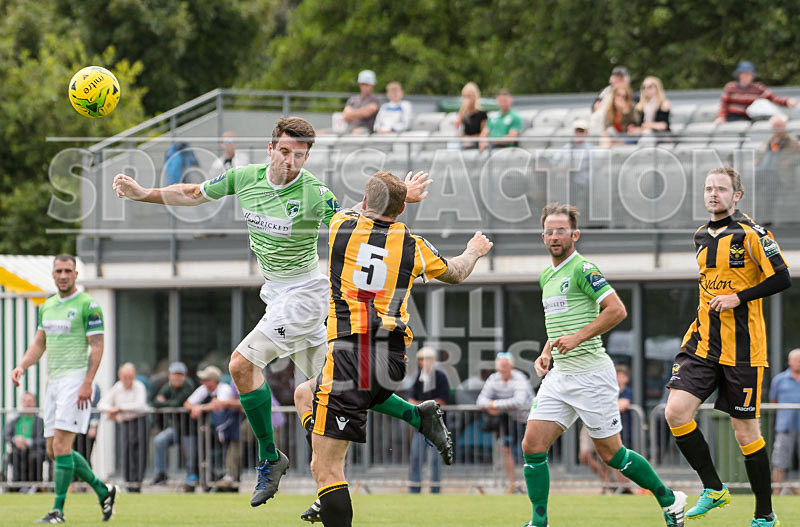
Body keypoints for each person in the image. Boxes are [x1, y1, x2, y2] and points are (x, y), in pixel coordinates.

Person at [114, 117, 449, 510]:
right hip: (276, 295)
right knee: (335, 388)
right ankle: (417, 416)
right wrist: (142, 193)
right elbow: (192, 193)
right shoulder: (245, 178)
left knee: (240, 365)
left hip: (307, 294)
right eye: (286, 152)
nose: (291, 162)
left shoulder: (313, 193)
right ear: (271, 148)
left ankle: (270, 457)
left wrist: (396, 198)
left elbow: (355, 223)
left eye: (300, 155)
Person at [308, 170, 493, 527]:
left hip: (350, 355)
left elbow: (358, 209)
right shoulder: (413, 244)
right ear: (402, 211)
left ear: (365, 203)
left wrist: (401, 194)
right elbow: (456, 272)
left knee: (326, 467)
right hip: (392, 359)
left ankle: (329, 501)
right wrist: (474, 250)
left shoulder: (340, 227)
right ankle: (417, 415)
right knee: (305, 394)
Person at [522, 203, 686, 527]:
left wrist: (579, 338)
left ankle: (669, 498)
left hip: (591, 375)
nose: (555, 236)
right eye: (550, 231)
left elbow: (617, 309)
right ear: (543, 236)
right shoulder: (545, 275)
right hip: (561, 375)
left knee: (612, 455)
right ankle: (538, 522)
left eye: (562, 230)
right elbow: (557, 324)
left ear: (575, 234)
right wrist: (547, 351)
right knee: (532, 445)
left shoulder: (584, 269)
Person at [664, 165, 791, 527]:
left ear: (738, 195)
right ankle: (714, 488)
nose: (713, 194)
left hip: (744, 350)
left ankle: (764, 515)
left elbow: (782, 277)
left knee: (746, 432)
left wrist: (739, 297)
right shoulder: (700, 235)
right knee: (675, 413)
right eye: (708, 188)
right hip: (702, 343)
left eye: (721, 189)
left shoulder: (753, 234)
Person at [9, 254, 117, 523]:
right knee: (53, 450)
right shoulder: (47, 306)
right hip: (53, 382)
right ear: (53, 274)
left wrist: (88, 382)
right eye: (59, 270)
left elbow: (97, 345)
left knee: (61, 445)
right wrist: (22, 365)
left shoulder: (88, 305)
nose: (63, 275)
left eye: (68, 270)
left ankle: (57, 510)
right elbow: (39, 343)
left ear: (76, 274)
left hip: (75, 381)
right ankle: (103, 491)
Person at [476, 351, 533, 493]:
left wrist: (494, 405)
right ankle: (512, 484)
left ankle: (532, 484)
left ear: (512, 367)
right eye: (501, 367)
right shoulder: (493, 379)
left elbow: (519, 402)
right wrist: (492, 405)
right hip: (510, 420)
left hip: (529, 419)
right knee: (506, 450)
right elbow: (480, 401)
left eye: (506, 366)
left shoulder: (520, 378)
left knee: (532, 451)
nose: (503, 370)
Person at [184, 366, 239, 486]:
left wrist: (200, 408)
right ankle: (211, 477)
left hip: (229, 426)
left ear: (213, 381)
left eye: (205, 379)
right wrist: (194, 408)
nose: (202, 382)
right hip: (215, 429)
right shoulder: (204, 389)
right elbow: (187, 403)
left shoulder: (224, 388)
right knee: (208, 451)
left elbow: (219, 404)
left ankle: (227, 478)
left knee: (226, 452)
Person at [98, 362, 149, 492]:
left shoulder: (139, 386)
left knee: (140, 452)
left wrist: (120, 408)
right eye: (125, 377)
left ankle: (138, 482)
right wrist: (111, 409)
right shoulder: (117, 387)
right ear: (120, 376)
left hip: (140, 421)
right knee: (127, 451)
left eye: (130, 377)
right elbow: (101, 404)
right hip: (126, 422)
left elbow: (140, 405)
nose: (127, 380)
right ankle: (129, 482)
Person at [408, 346, 451, 494]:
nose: (424, 362)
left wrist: (421, 406)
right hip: (420, 426)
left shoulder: (441, 377)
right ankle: (414, 489)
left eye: (427, 359)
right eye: (421, 359)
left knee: (435, 460)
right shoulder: (417, 377)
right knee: (415, 458)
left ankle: (435, 489)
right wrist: (426, 406)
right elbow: (411, 400)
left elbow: (443, 401)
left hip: (437, 426)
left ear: (432, 361)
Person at [150, 361, 197, 487]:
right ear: (170, 375)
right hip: (176, 428)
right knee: (159, 441)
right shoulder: (167, 387)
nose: (176, 377)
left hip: (190, 429)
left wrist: (165, 402)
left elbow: (178, 403)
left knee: (190, 455)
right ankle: (161, 475)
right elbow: (155, 403)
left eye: (179, 375)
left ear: (184, 376)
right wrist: (166, 403)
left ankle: (191, 478)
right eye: (174, 374)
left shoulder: (188, 385)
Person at [715, 61, 797, 123]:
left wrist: (787, 101)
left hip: (751, 118)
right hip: (733, 117)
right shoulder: (730, 87)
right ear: (739, 75)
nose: (746, 76)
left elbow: (773, 98)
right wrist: (721, 117)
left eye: (748, 74)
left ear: (752, 76)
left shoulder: (758, 88)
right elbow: (723, 105)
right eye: (743, 74)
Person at [769, 348, 800, 495]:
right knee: (779, 460)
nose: (799, 363)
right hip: (785, 427)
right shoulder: (779, 380)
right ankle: (777, 492)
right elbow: (774, 401)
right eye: (796, 360)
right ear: (789, 362)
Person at [4, 392, 46, 491]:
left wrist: (28, 442)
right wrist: (16, 440)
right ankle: (16, 486)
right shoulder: (15, 419)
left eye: (30, 401)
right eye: (25, 401)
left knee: (33, 457)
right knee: (14, 455)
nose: (28, 404)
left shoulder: (40, 421)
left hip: (35, 450)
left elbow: (43, 439)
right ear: (22, 403)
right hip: (18, 450)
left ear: (35, 403)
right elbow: (6, 435)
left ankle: (34, 486)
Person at [342, 70, 380, 134]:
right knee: (321, 133)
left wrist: (352, 113)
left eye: (367, 84)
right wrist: (361, 112)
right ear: (359, 84)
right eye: (363, 84)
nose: (365, 86)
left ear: (372, 85)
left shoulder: (375, 99)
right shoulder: (353, 99)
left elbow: (367, 112)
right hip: (349, 129)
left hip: (367, 130)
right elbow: (346, 115)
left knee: (356, 133)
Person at [453, 82, 488, 149]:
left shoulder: (482, 114)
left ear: (475, 97)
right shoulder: (463, 113)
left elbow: (483, 134)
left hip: (476, 144)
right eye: (464, 96)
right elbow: (457, 127)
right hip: (464, 143)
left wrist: (469, 138)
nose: (466, 99)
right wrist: (462, 111)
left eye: (469, 96)